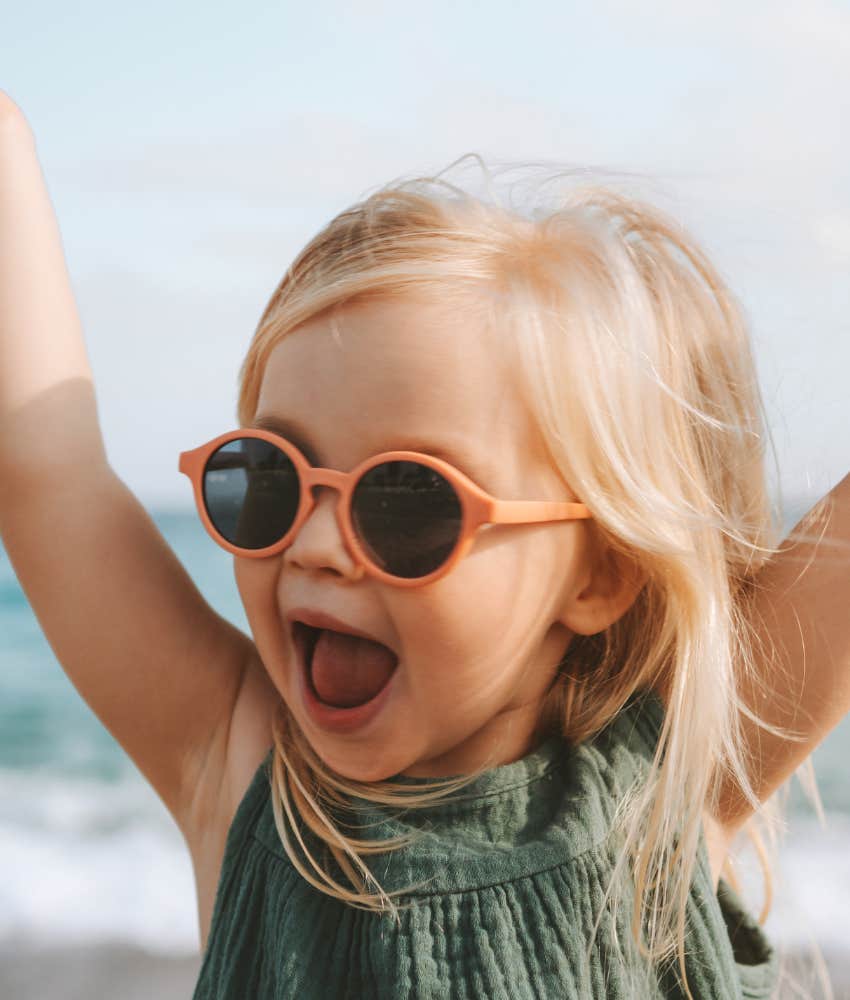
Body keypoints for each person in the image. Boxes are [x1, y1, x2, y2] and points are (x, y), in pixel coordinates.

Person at [0, 90, 846, 999]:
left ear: (602, 572)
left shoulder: (662, 797)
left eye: (409, 502)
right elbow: (48, 475)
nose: (317, 546)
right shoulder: (239, 768)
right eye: (273, 480)